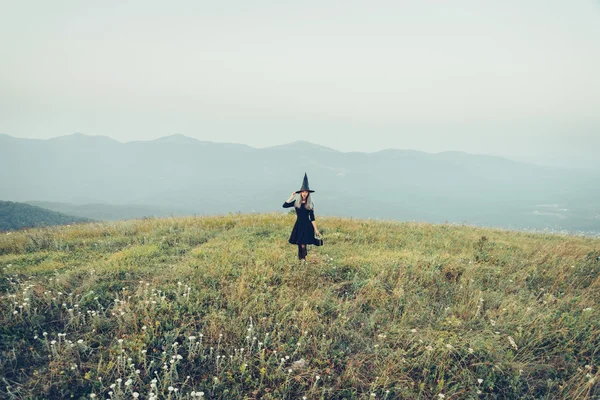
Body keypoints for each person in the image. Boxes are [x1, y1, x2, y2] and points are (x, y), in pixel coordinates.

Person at [283, 173, 321, 261]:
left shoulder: (310, 204)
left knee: (303, 244)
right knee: (300, 243)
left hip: (307, 226)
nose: (304, 194)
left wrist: (316, 229)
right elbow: (285, 205)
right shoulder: (296, 202)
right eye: (303, 192)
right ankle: (301, 258)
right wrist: (291, 197)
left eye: (306, 192)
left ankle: (303, 260)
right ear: (300, 193)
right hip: (298, 225)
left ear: (308, 193)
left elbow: (312, 218)